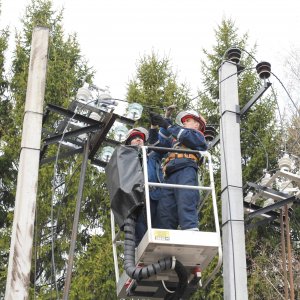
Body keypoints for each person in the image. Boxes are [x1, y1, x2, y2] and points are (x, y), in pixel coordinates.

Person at [150, 109, 208, 230]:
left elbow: (184, 135)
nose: (184, 123)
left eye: (187, 120)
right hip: (170, 175)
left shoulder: (198, 136)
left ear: (197, 124)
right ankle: (164, 236)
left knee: (185, 201)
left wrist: (167, 124)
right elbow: (156, 146)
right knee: (165, 209)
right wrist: (154, 127)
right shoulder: (176, 141)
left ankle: (191, 231)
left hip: (186, 170)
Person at [124, 126, 164, 244]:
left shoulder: (152, 156)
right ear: (128, 143)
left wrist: (153, 129)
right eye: (134, 138)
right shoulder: (125, 159)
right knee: (140, 231)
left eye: (140, 138)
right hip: (137, 199)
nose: (138, 139)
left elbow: (156, 144)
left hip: (155, 196)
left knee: (160, 229)